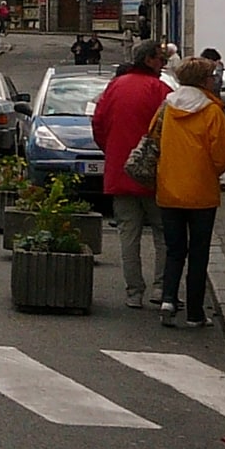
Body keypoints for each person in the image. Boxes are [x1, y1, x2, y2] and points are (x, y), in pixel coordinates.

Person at [155, 57, 225, 327]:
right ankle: (194, 313)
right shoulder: (212, 111)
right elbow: (222, 155)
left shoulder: (167, 106)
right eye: (212, 76)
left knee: (174, 249)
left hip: (168, 188)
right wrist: (211, 171)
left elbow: (152, 137)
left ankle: (168, 298)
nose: (215, 79)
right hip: (201, 192)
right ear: (203, 80)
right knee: (199, 253)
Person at [92, 39, 173, 307]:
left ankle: (134, 292)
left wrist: (113, 152)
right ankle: (160, 288)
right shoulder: (160, 89)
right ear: (149, 60)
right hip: (154, 173)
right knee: (163, 234)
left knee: (128, 234)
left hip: (120, 171)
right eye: (160, 59)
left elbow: (99, 123)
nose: (163, 65)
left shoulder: (115, 86)